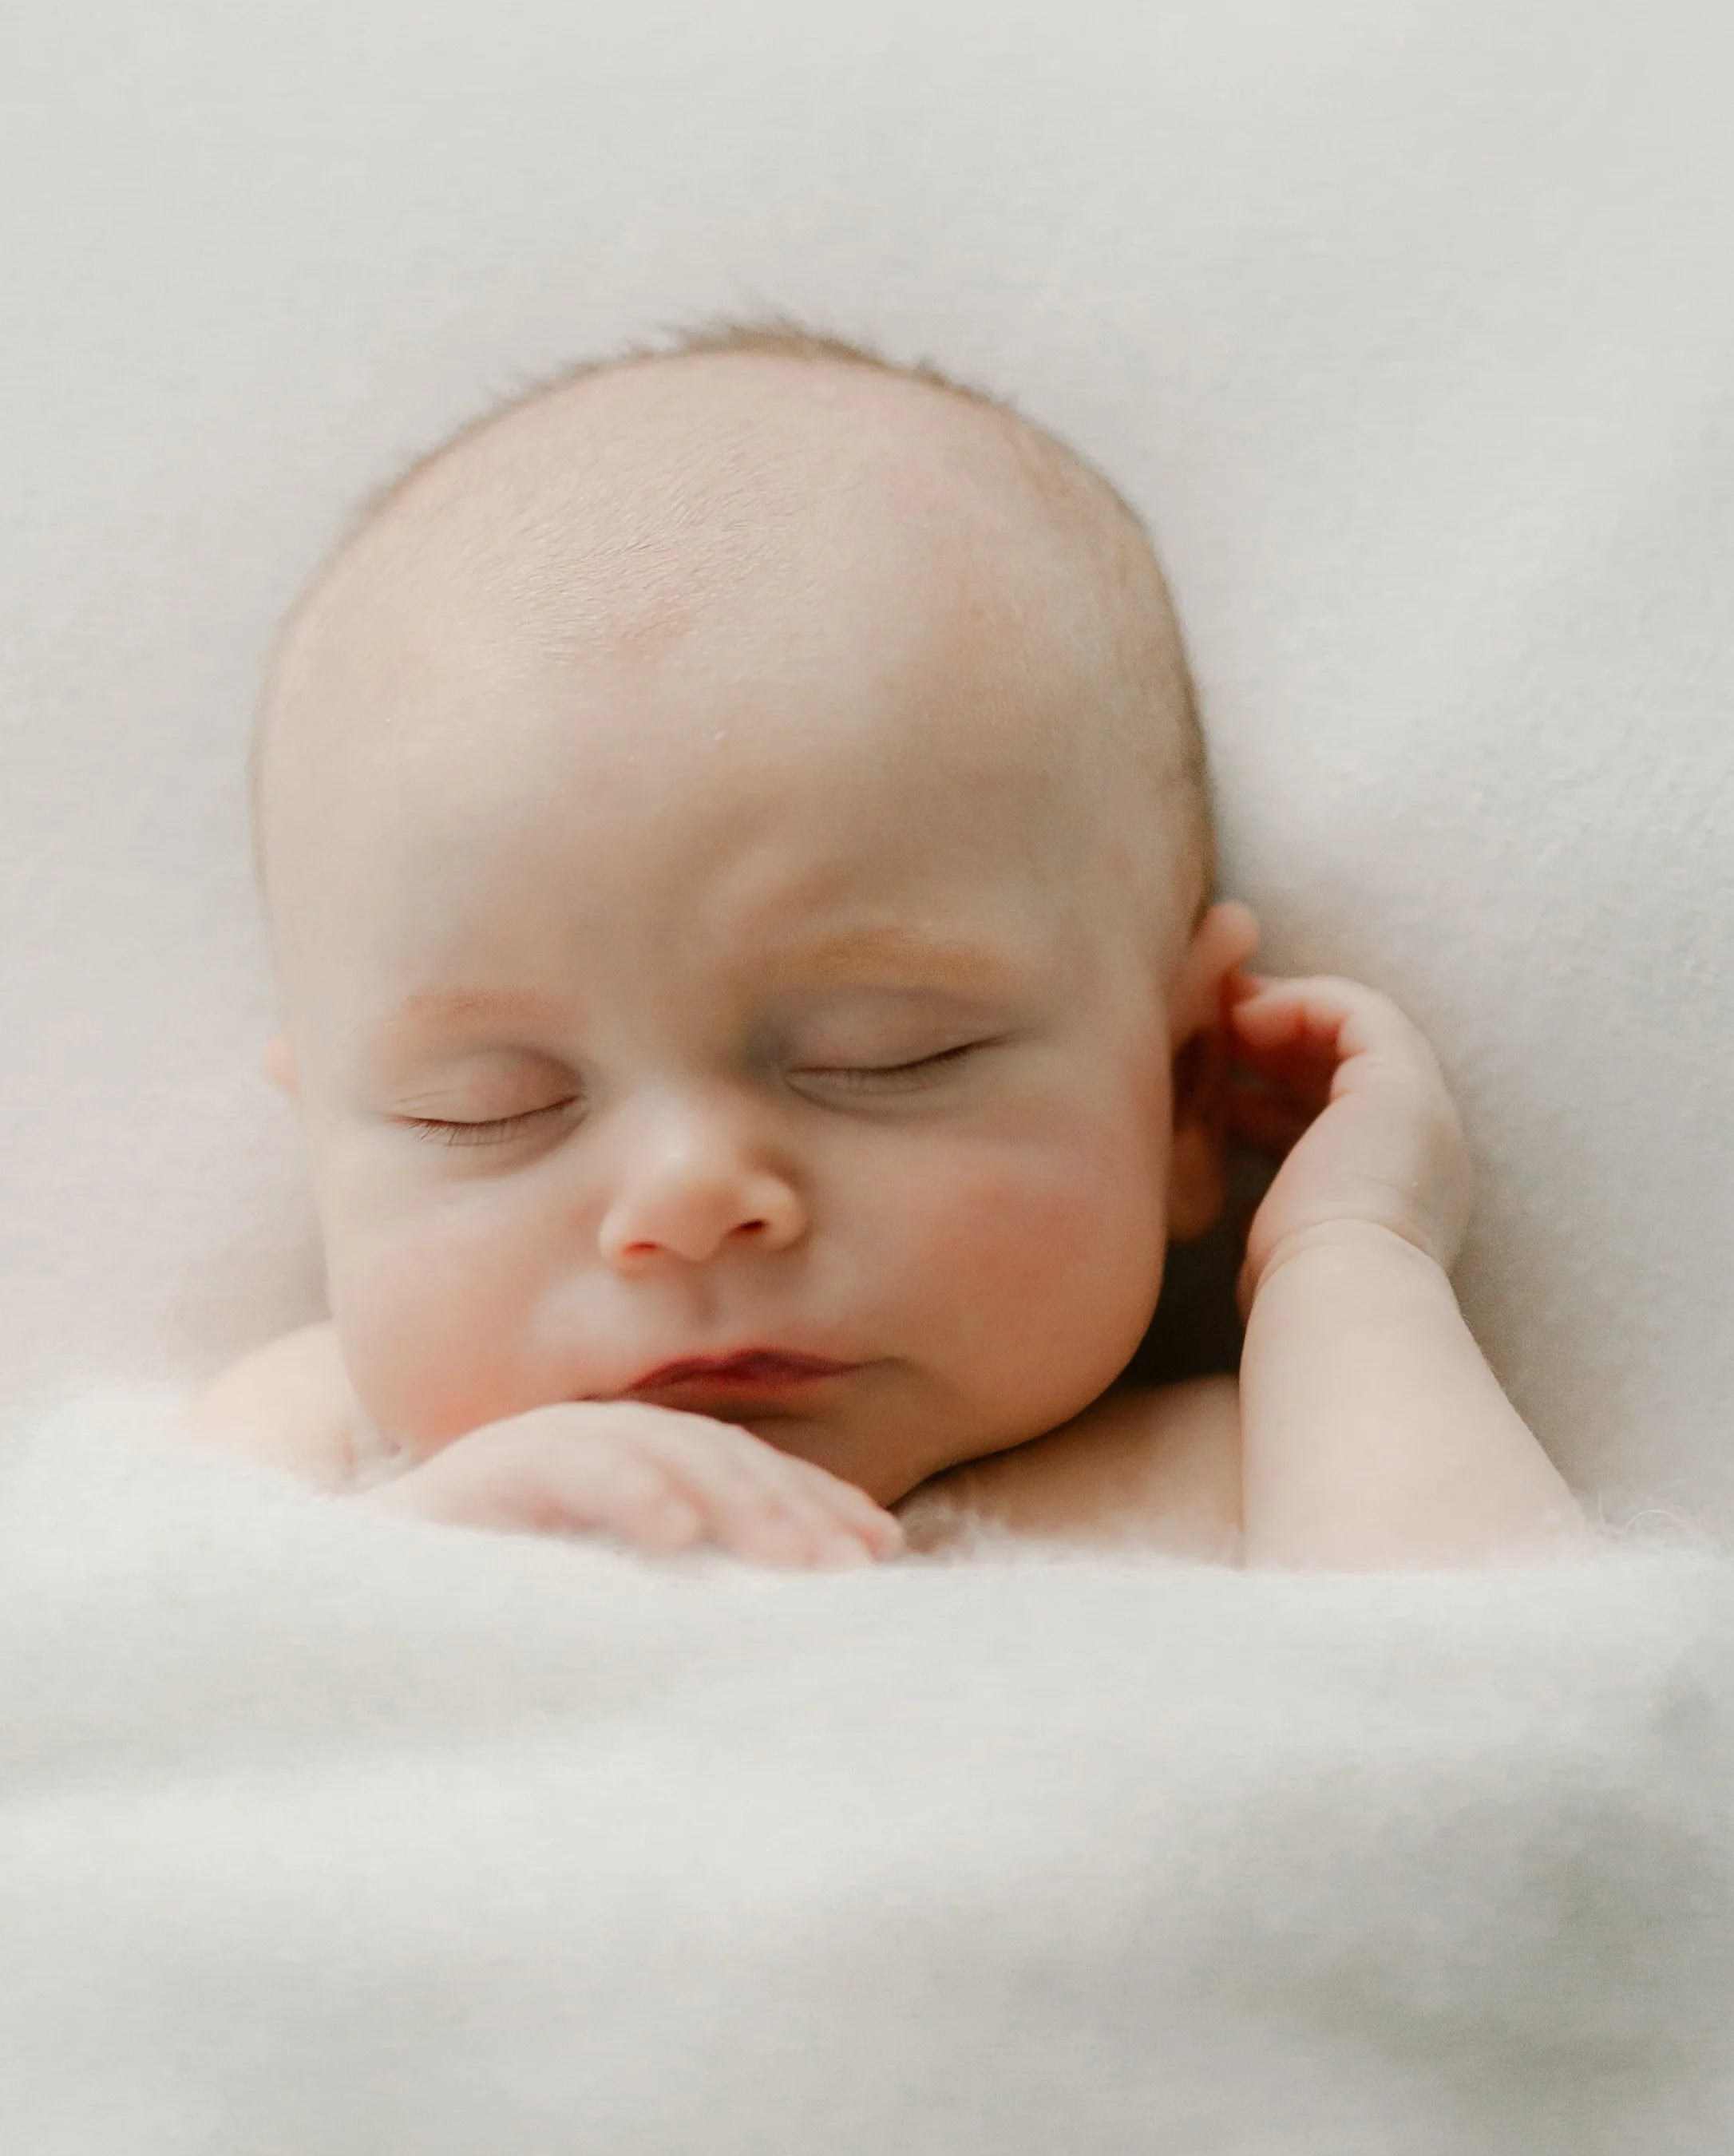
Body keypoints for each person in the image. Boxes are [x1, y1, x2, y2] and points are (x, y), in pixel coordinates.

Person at [180, 322, 1597, 1574]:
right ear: (328, 1155)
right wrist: (425, 1567)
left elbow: (1526, 1729)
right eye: (487, 1108)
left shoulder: (1252, 1476)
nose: (689, 1197)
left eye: (882, 1056)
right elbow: (116, 1705)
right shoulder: (317, 1451)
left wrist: (1348, 1258)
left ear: (1183, 1088)